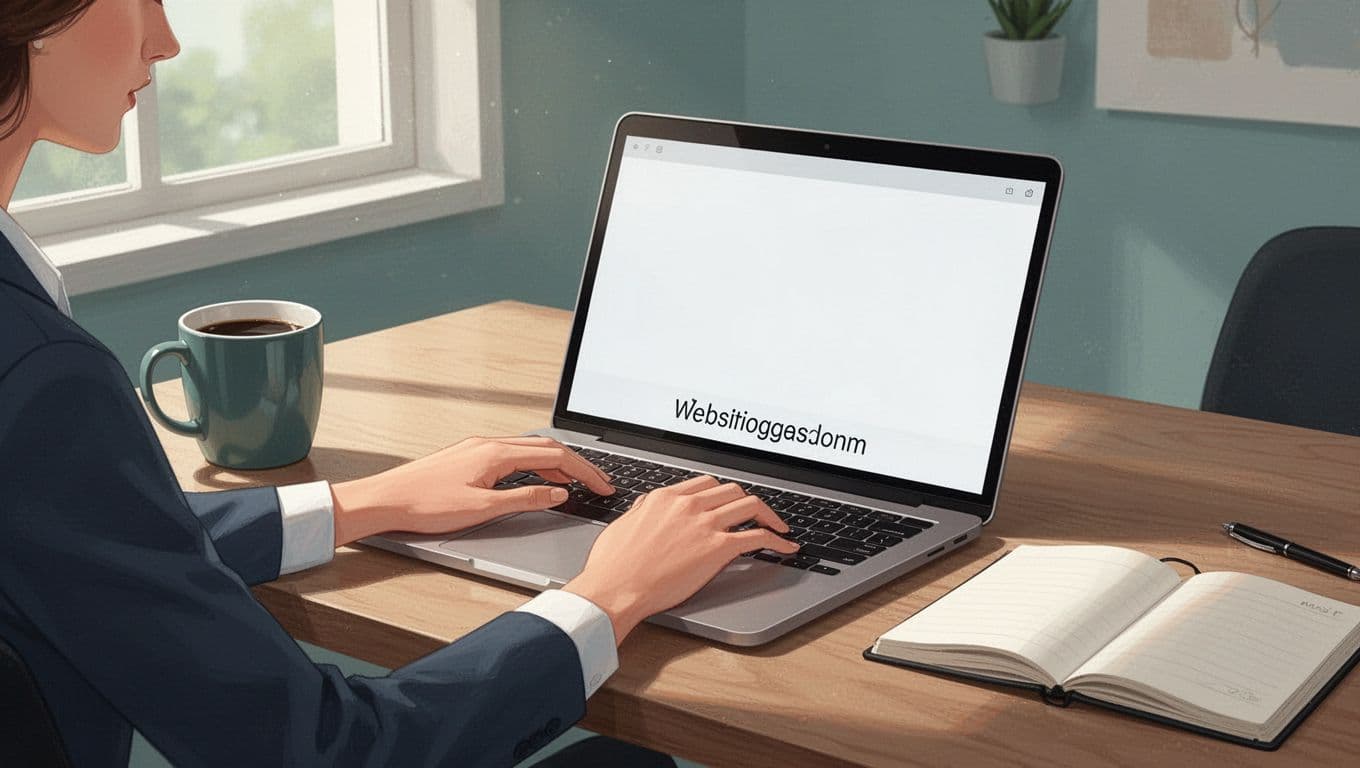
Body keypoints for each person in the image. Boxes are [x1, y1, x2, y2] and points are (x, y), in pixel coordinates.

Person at [0, 2, 801, 766]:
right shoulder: (40, 374)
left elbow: (90, 547)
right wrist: (611, 592)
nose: (167, 40)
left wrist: (364, 503)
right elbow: (328, 752)